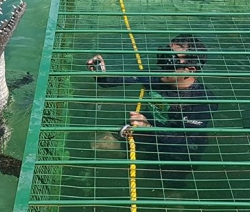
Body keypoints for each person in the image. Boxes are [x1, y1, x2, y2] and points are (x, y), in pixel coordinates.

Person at [86, 34, 217, 188]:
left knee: (167, 192)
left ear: (190, 69)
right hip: (147, 128)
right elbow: (112, 81)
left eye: (172, 61)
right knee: (96, 143)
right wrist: (99, 72)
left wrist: (149, 128)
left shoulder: (202, 102)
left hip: (177, 151)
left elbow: (186, 144)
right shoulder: (159, 77)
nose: (164, 65)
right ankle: (128, 155)